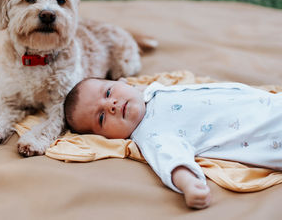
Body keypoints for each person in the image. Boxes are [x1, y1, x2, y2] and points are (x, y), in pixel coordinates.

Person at [63, 77, 282, 209]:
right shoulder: (150, 133)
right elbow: (171, 160)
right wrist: (188, 185)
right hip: (268, 134)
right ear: (107, 139)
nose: (111, 105)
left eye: (108, 92)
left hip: (271, 103)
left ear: (123, 82)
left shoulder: (151, 92)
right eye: (101, 118)